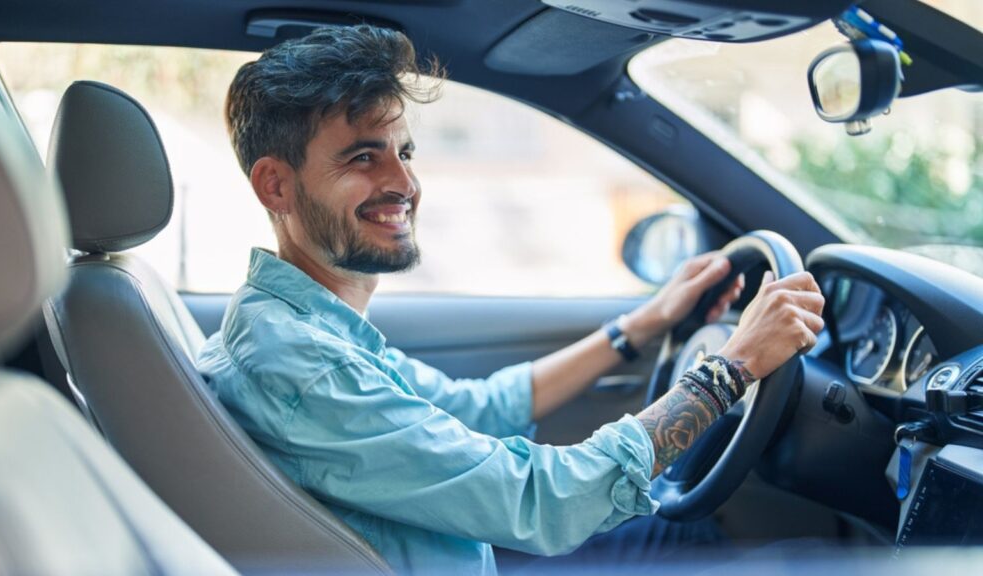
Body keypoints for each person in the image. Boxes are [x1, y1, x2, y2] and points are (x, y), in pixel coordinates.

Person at [197, 25, 825, 575]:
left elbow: (480, 406)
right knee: (805, 561)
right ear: (275, 185)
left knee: (678, 531)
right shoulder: (305, 366)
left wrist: (641, 325)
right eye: (364, 157)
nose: (404, 184)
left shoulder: (297, 326)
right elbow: (544, 503)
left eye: (404, 151)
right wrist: (732, 368)